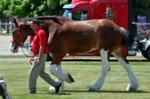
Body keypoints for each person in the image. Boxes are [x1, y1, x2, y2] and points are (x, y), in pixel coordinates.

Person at [29, 18, 61, 94]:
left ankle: (32, 90)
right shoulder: (37, 32)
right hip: (39, 55)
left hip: (41, 55)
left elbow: (42, 46)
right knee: (41, 73)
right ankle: (56, 84)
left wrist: (39, 58)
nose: (30, 26)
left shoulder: (41, 32)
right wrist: (33, 57)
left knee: (33, 72)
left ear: (36, 25)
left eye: (32, 24)